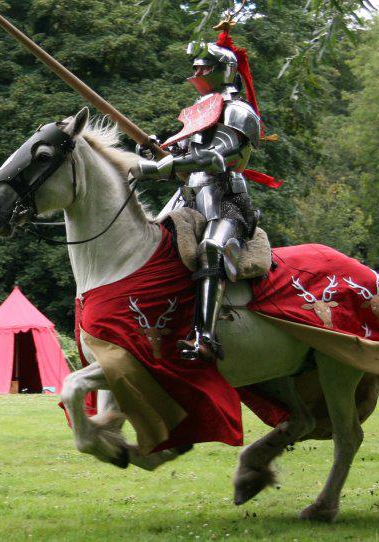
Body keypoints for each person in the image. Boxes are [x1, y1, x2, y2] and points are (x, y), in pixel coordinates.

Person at [128, 21, 268, 362]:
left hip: (225, 202)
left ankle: (204, 336)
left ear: (224, 71)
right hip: (187, 200)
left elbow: (220, 155)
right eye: (194, 67)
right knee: (147, 244)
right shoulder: (198, 114)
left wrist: (170, 164)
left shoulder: (237, 110)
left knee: (210, 248)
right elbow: (181, 156)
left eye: (204, 66)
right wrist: (157, 152)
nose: (197, 72)